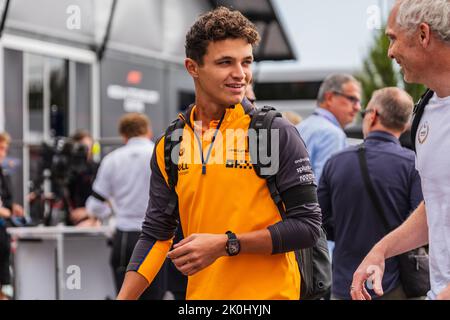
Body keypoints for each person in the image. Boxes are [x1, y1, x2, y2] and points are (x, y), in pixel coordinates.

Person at [117, 7, 322, 300]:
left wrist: (227, 244)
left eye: (246, 62)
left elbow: (307, 227)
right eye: (226, 62)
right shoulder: (172, 143)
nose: (240, 75)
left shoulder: (273, 132)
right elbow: (155, 235)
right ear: (192, 67)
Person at [351, 0, 450, 300]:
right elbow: (437, 201)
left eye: (393, 38)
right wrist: (382, 250)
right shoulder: (424, 112)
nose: (390, 52)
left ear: (423, 34)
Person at [319, 87, 423, 300]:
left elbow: (319, 221)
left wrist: (347, 231)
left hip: (345, 284)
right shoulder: (413, 164)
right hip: (394, 285)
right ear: (405, 125)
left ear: (373, 115)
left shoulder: (335, 162)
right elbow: (422, 221)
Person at [73, 113, 167, 300]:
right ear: (148, 132)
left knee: (125, 296)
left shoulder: (112, 160)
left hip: (125, 237)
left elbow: (94, 206)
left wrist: (114, 209)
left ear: (123, 136)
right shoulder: (161, 154)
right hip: (158, 237)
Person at [296, 74, 362, 183]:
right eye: (352, 99)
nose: (358, 107)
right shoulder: (332, 134)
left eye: (359, 102)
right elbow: (326, 187)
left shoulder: (299, 128)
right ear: (330, 98)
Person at [0, 132, 24, 300]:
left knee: (3, 277)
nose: (3, 153)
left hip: (3, 232)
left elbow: (6, 200)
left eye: (5, 149)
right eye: (0, 148)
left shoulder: (3, 173)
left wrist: (12, 208)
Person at [67, 130, 99, 227]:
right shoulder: (67, 170)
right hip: (69, 221)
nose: (87, 151)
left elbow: (107, 199)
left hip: (93, 220)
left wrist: (88, 211)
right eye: (83, 148)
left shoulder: (97, 168)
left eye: (89, 147)